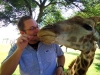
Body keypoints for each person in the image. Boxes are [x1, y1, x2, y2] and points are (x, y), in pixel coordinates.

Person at [0, 15, 65, 75]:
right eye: (32, 28)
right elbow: (4, 73)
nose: (37, 30)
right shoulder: (16, 48)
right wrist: (20, 50)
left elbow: (61, 55)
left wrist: (60, 66)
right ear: (22, 33)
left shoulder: (50, 42)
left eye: (37, 26)